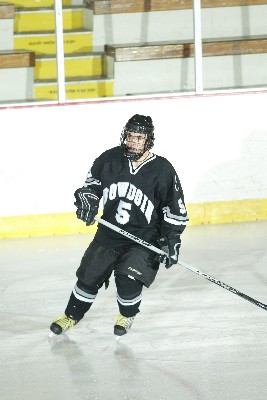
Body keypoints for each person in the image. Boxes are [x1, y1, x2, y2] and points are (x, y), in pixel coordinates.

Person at [49, 114, 189, 337]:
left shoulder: (162, 169)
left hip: (143, 239)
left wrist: (171, 239)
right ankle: (70, 316)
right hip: (109, 233)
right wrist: (88, 198)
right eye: (130, 136)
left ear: (148, 140)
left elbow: (173, 208)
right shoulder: (109, 158)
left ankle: (127, 315)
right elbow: (91, 186)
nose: (133, 141)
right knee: (87, 278)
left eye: (139, 138)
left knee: (127, 280)